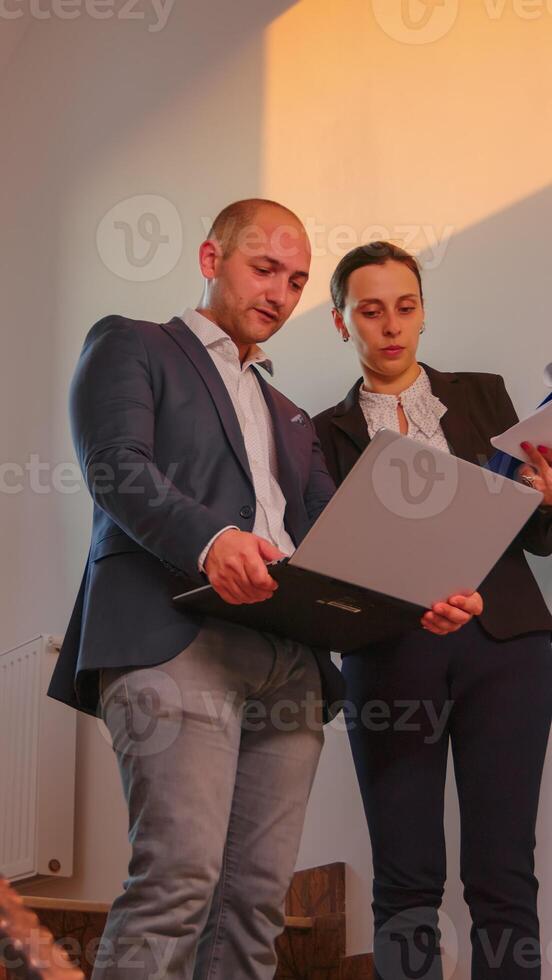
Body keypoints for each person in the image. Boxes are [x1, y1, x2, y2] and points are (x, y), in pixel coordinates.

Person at [47, 206, 481, 980]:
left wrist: (423, 597)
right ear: (212, 258)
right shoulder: (135, 344)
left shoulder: (290, 415)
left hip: (290, 664)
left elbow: (331, 542)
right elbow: (116, 467)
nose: (281, 292)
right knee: (177, 881)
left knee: (255, 905)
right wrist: (212, 542)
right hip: (175, 638)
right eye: (264, 269)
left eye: (298, 280)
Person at [314, 242, 552, 980]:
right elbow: (332, 566)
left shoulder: (483, 394)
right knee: (406, 878)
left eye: (406, 308)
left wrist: (548, 497)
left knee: (503, 871)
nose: (391, 326)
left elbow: (535, 537)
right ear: (340, 321)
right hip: (392, 655)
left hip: (506, 646)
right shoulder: (319, 433)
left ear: (422, 312)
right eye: (371, 310)